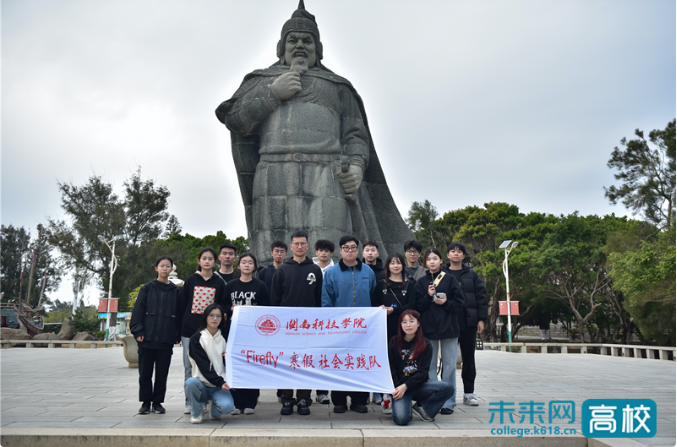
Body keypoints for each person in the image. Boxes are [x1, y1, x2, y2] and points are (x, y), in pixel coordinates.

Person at [215, 1, 413, 265]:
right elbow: (235, 120)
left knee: (329, 250)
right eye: (293, 40)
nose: (300, 45)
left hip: (328, 172)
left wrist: (356, 166)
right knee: (273, 253)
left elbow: (355, 134)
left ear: (318, 49)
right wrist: (272, 93)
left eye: (307, 41)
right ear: (281, 48)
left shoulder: (338, 86)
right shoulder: (262, 81)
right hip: (274, 171)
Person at [270, 230, 324, 416]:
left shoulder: (315, 270)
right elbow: (275, 300)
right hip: (286, 326)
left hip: (308, 327)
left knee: (305, 362)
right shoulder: (282, 270)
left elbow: (319, 299)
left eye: (303, 244)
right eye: (296, 244)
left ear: (307, 246)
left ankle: (303, 398)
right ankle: (286, 399)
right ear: (291, 246)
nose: (299, 247)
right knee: (287, 362)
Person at [321, 235, 376, 413]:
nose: (350, 250)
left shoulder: (368, 271)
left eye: (353, 247)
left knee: (360, 362)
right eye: (346, 248)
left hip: (363, 327)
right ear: (340, 250)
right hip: (340, 327)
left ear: (358, 250)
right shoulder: (331, 273)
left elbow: (373, 296)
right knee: (339, 363)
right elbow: (327, 301)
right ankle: (339, 400)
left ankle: (359, 400)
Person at [179, 248, 231, 414]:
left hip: (211, 333)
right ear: (199, 261)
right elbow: (183, 303)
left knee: (211, 364)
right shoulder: (191, 280)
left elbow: (222, 305)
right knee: (189, 366)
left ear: (215, 261)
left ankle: (210, 399)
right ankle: (191, 401)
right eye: (204, 258)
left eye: (210, 259)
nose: (207, 261)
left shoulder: (219, 282)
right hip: (190, 331)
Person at [415, 247, 464, 415]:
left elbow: (460, 303)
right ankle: (433, 398)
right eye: (429, 259)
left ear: (441, 260)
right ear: (425, 262)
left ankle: (449, 402)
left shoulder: (450, 279)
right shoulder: (421, 282)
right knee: (429, 365)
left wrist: (446, 303)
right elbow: (417, 306)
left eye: (435, 258)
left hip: (449, 328)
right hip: (428, 329)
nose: (432, 262)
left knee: (449, 366)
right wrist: (428, 296)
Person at [130, 256, 182, 415]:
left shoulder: (175, 291)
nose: (165, 269)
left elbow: (179, 314)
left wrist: (177, 334)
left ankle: (158, 402)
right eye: (162, 266)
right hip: (146, 339)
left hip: (166, 339)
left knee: (162, 373)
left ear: (171, 269)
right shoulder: (147, 288)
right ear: (156, 268)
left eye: (168, 266)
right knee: (145, 373)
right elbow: (138, 311)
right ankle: (145, 402)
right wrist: (138, 330)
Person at [388, 309, 454, 425]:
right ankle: (403, 405)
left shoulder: (425, 344)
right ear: (400, 325)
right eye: (404, 322)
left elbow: (423, 372)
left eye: (411, 321)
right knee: (402, 419)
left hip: (418, 387)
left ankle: (422, 408)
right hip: (399, 388)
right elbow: (391, 367)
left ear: (418, 323)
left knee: (447, 387)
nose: (408, 325)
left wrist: (406, 386)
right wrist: (399, 387)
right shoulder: (394, 341)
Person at [225, 252, 270, 415]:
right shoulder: (230, 285)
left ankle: (251, 402)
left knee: (251, 365)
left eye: (250, 262)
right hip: (233, 331)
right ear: (238, 265)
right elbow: (221, 305)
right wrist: (230, 308)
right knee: (234, 365)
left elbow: (267, 307)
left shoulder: (260, 285)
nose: (247, 265)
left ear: (254, 266)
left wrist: (253, 310)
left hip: (253, 333)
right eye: (244, 262)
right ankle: (236, 403)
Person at [371, 252, 416, 413]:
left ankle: (404, 394)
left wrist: (395, 310)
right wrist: (380, 308)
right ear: (387, 266)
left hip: (404, 329)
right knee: (386, 362)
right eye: (392, 263)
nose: (395, 266)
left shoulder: (410, 285)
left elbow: (413, 305)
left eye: (398, 263)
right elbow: (374, 303)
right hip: (385, 328)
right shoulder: (381, 285)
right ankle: (386, 398)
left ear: (403, 265)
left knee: (403, 361)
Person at [445, 242, 488, 408]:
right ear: (447, 255)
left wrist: (481, 319)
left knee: (469, 358)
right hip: (448, 323)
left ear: (463, 255)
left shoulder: (472, 274)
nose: (456, 254)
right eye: (452, 251)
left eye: (459, 251)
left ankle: (469, 393)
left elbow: (481, 297)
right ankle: (447, 395)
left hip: (468, 322)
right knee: (448, 360)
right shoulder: (442, 274)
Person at [185, 303, 236, 424]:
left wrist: (227, 358)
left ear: (222, 318)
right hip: (201, 384)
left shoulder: (225, 339)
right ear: (205, 317)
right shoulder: (196, 338)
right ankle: (197, 412)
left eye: (218, 316)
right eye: (211, 315)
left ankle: (215, 411)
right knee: (190, 383)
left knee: (228, 407)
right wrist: (220, 381)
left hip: (218, 387)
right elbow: (204, 365)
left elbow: (230, 365)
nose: (215, 319)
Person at [312, 238, 335, 405]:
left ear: (331, 253)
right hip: (311, 318)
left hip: (331, 318)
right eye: (321, 250)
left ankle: (323, 392)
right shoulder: (309, 268)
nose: (323, 253)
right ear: (316, 252)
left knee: (326, 356)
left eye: (327, 250)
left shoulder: (336, 270)